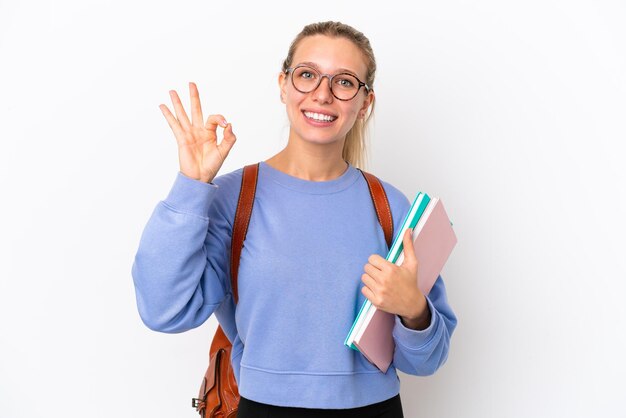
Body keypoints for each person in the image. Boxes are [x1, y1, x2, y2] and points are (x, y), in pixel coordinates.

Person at [131, 21, 457, 418]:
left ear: (365, 102)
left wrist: (415, 310)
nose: (322, 94)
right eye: (307, 75)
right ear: (283, 84)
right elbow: (163, 310)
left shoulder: (390, 205)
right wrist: (191, 186)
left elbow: (428, 359)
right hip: (263, 409)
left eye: (344, 82)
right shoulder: (234, 198)